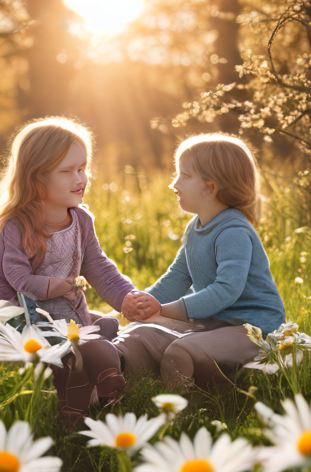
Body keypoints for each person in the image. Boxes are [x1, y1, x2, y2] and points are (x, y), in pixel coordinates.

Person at [0, 116, 138, 415]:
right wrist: (57, 286)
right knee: (79, 344)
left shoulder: (81, 220)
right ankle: (80, 394)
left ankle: (106, 382)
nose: (81, 178)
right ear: (36, 179)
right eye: (67, 171)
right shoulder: (18, 224)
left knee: (98, 329)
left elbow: (98, 266)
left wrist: (126, 296)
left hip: (62, 312)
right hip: (20, 314)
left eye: (83, 168)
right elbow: (17, 278)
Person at [114, 133, 286, 391]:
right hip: (212, 323)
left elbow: (226, 291)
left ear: (209, 187)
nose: (174, 184)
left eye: (183, 175)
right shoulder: (195, 228)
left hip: (251, 328)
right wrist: (140, 307)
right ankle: (123, 389)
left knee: (180, 352)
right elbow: (178, 276)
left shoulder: (233, 231)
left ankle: (187, 415)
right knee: (138, 332)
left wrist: (161, 310)